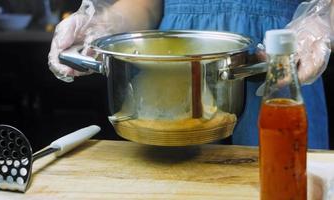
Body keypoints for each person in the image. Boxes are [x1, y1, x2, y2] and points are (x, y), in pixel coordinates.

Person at [48, 0, 333, 149]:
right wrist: (103, 23)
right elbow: (145, 4)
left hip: (283, 64)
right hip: (174, 74)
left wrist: (320, 22)